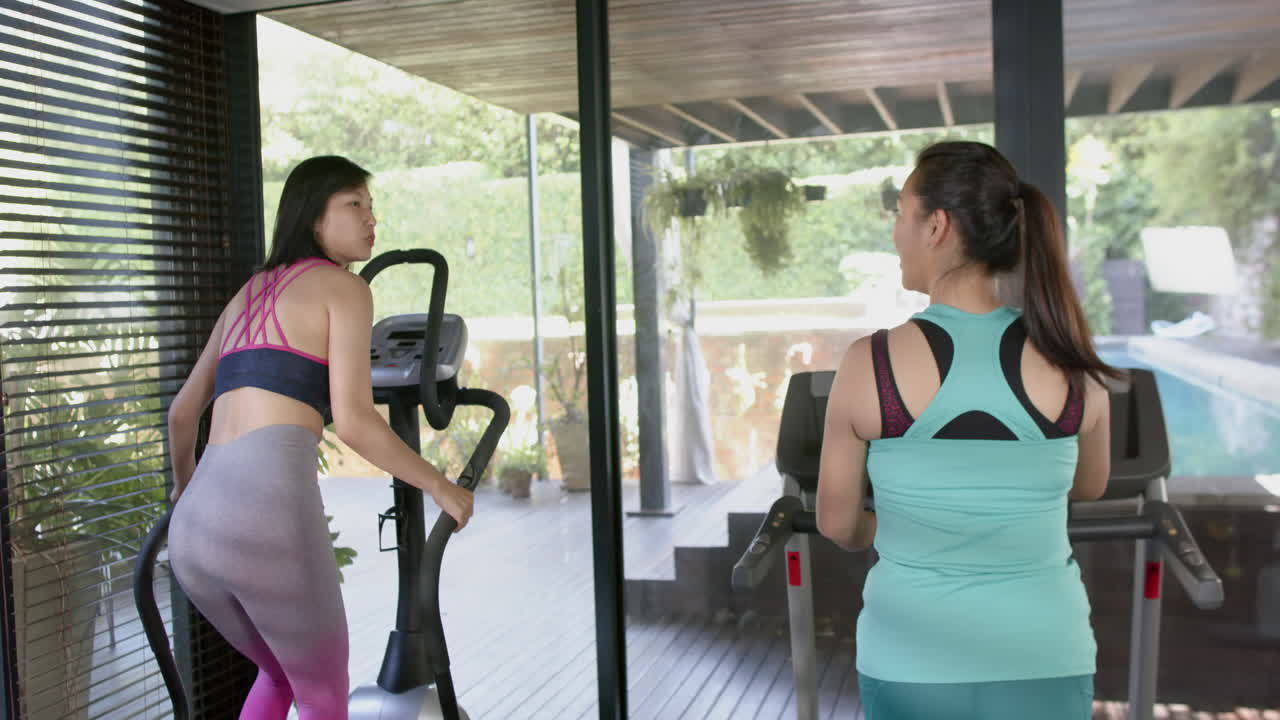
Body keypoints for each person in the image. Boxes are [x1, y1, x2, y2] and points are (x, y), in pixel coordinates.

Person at [816, 141, 1120, 720]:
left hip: (911, 661)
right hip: (1046, 655)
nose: (895, 232)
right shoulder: (1074, 361)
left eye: (901, 213)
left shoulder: (869, 364)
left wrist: (896, 520)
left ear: (936, 226)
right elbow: (1086, 486)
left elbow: (838, 522)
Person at [165, 156, 474, 720]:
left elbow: (183, 415)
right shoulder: (344, 289)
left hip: (193, 537)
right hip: (265, 520)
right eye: (354, 204)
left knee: (281, 675)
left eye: (371, 206)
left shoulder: (249, 293)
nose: (371, 218)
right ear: (312, 217)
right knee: (323, 695)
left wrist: (185, 497)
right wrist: (440, 487)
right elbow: (355, 421)